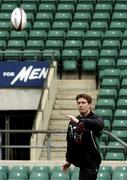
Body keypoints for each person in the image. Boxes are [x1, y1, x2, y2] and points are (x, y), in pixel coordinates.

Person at [62, 93, 104, 180]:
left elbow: (99, 125)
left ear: (89, 104)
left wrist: (79, 122)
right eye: (79, 103)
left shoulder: (96, 118)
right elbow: (70, 142)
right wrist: (69, 160)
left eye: (83, 103)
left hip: (92, 160)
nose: (81, 105)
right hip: (80, 159)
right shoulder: (73, 121)